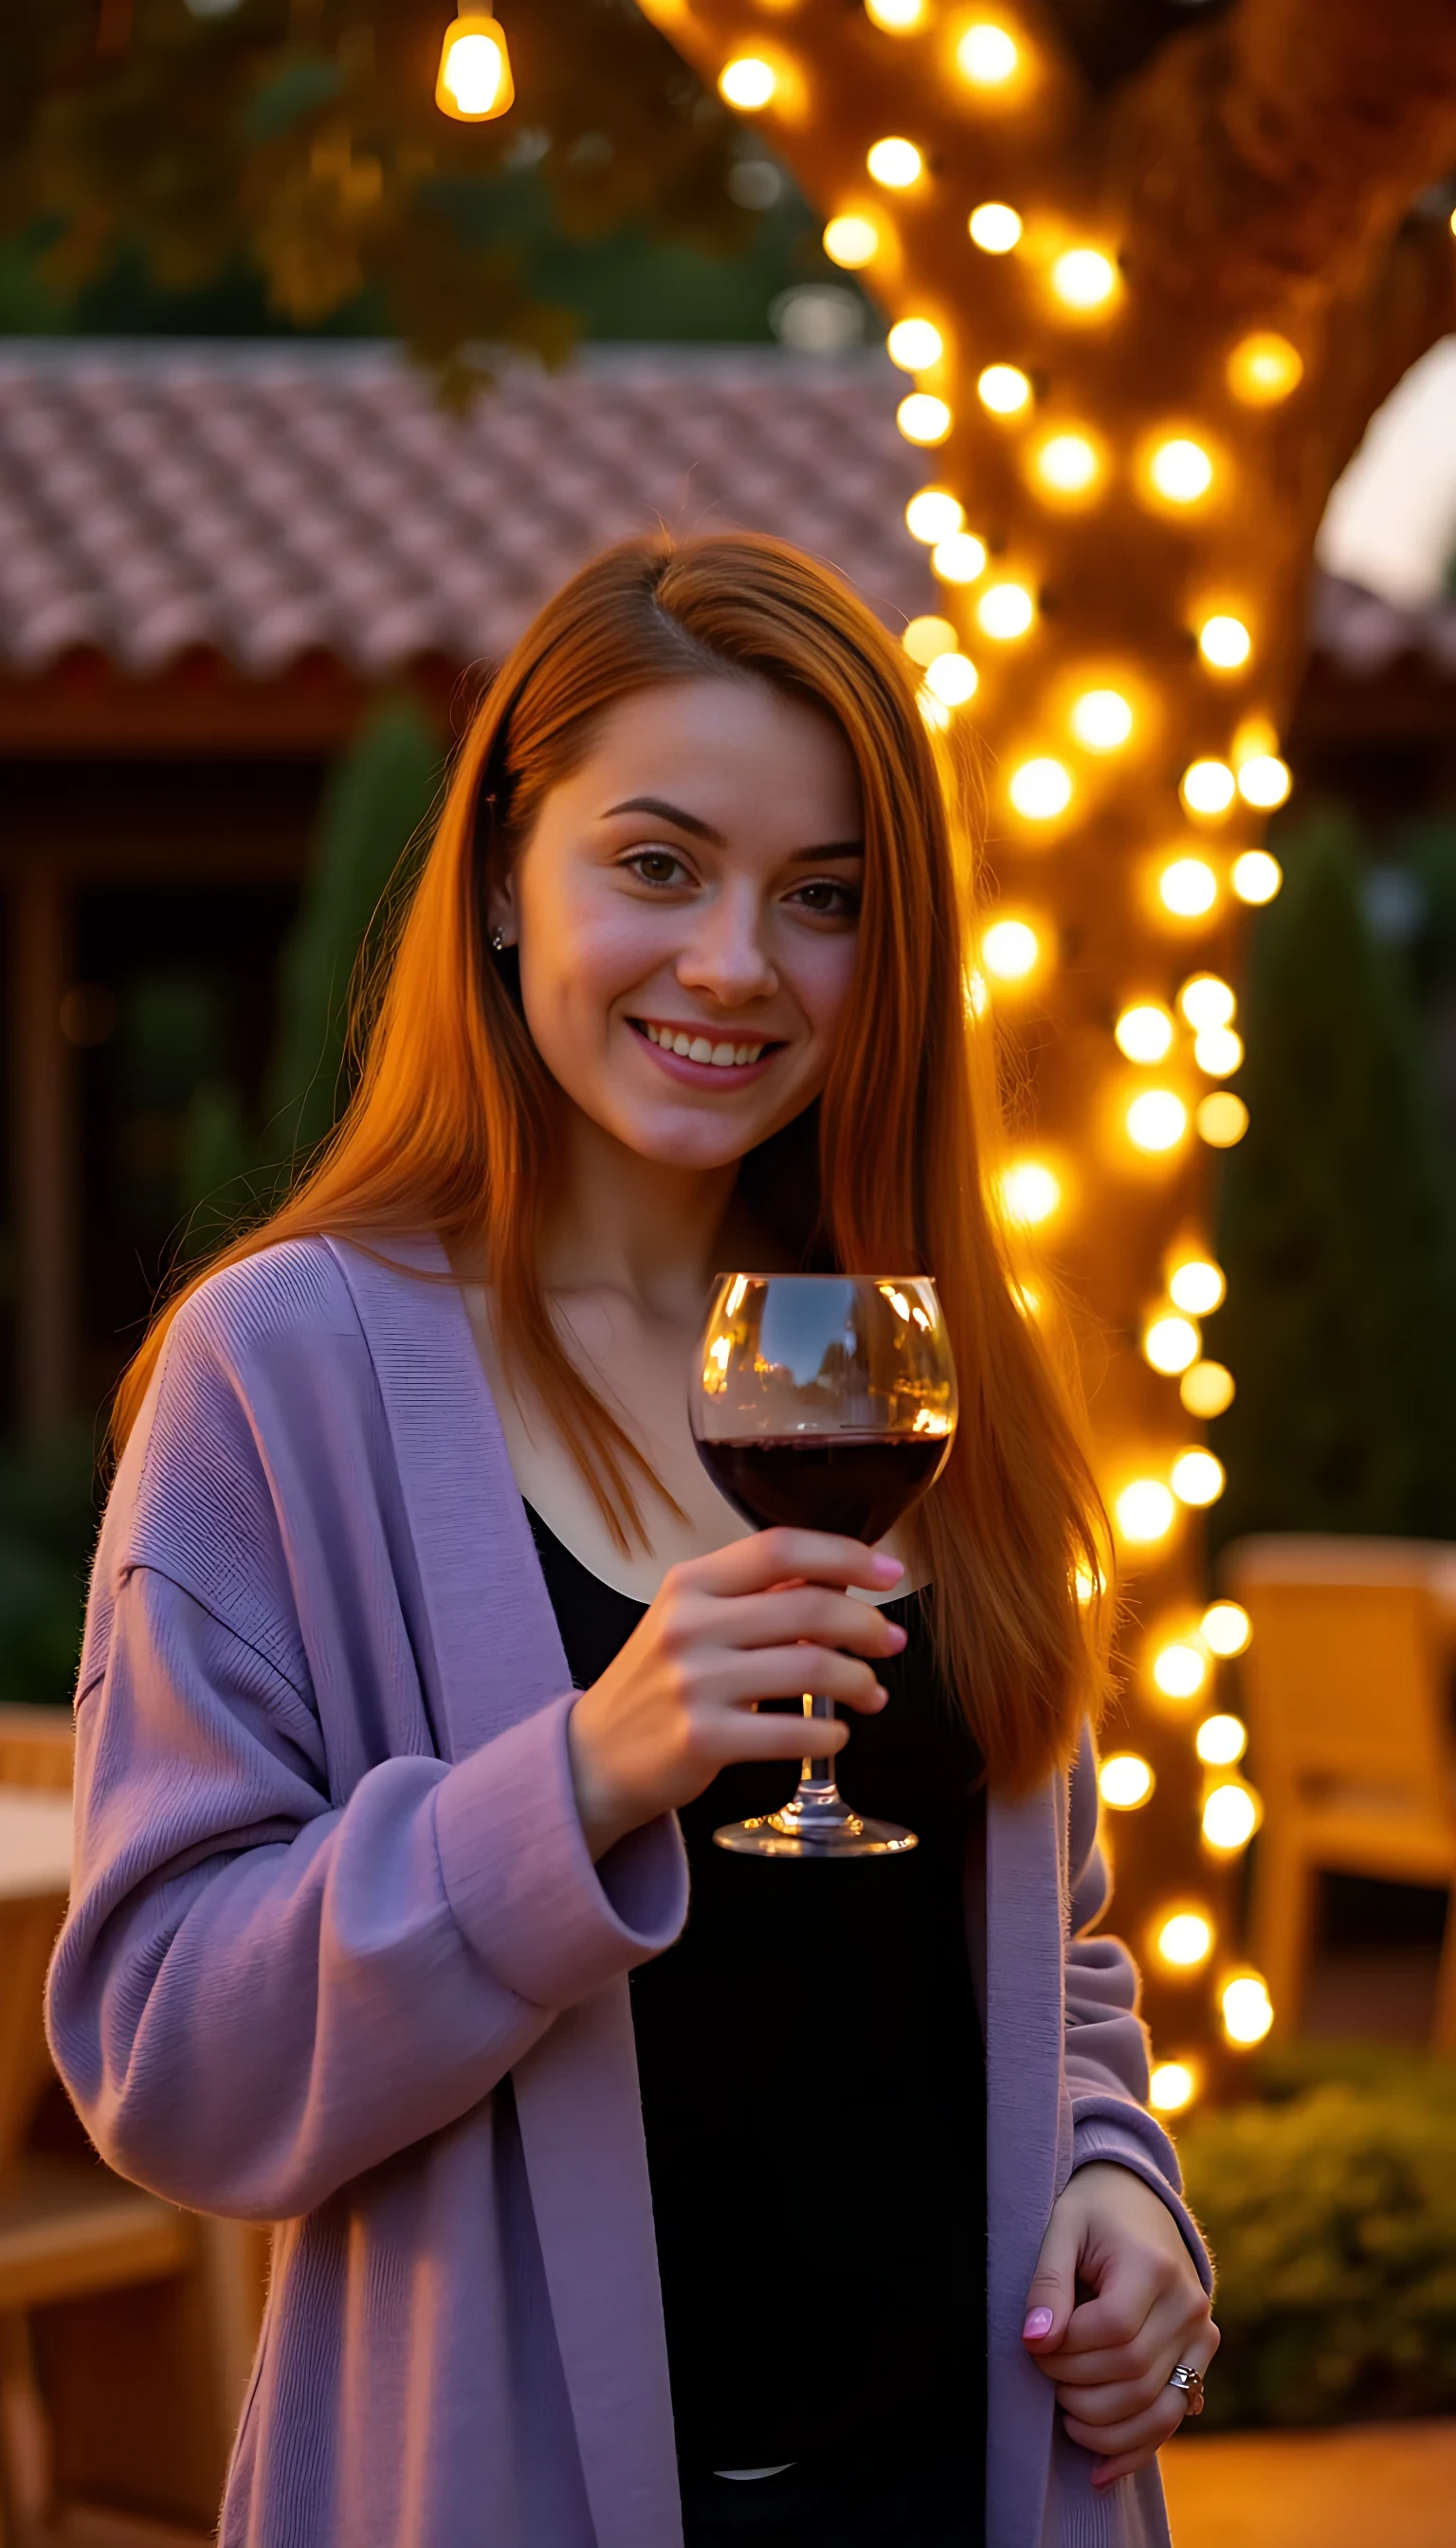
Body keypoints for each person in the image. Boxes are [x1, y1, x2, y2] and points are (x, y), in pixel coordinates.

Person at [46, 533, 1216, 2548]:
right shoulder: (285, 1373)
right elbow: (166, 2052)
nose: (738, 962)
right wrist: (584, 1776)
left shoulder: (924, 1357)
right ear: (508, 879)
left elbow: (1052, 1946)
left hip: (971, 2490)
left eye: (824, 897)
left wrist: (1116, 2172)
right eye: (658, 865)